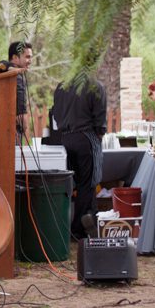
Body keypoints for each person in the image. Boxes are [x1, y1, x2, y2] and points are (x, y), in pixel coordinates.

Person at [51, 75, 106, 240]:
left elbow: (55, 114)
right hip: (86, 137)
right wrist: (99, 135)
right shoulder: (95, 85)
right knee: (87, 184)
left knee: (70, 183)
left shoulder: (62, 85)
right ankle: (79, 228)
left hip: (65, 138)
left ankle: (79, 225)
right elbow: (100, 117)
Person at [8, 41, 33, 139]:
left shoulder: (0, 72)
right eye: (27, 57)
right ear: (15, 58)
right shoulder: (17, 76)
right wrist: (24, 123)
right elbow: (20, 105)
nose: (30, 61)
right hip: (13, 130)